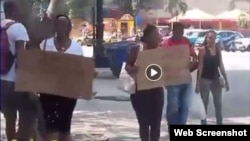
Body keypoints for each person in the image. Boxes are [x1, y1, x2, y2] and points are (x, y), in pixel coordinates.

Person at [38, 15, 83, 141]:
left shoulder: (76, 48)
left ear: (69, 28)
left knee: (64, 126)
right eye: (58, 24)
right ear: (54, 27)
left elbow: (80, 71)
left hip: (68, 93)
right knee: (49, 127)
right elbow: (37, 66)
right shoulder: (45, 44)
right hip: (48, 92)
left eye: (64, 25)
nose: (61, 27)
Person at [1, 1, 39, 141]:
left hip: (2, 82)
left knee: (9, 119)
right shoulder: (18, 27)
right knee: (28, 119)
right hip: (16, 82)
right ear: (14, 9)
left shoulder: (1, 26)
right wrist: (30, 86)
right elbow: (22, 59)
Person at [125, 24, 164, 141]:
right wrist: (132, 69)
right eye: (156, 33)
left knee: (156, 124)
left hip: (156, 91)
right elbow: (127, 66)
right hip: (140, 92)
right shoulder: (138, 49)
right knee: (144, 124)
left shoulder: (161, 51)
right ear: (148, 36)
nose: (159, 36)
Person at [161, 22, 198, 125]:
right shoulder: (166, 44)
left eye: (182, 32)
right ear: (174, 31)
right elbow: (161, 60)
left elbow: (194, 56)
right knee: (173, 106)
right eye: (178, 32)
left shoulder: (186, 42)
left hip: (185, 79)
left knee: (185, 105)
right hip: (172, 80)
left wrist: (192, 63)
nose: (180, 34)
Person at [195, 30, 229, 125]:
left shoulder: (218, 49)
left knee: (218, 104)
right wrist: (197, 84)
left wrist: (226, 80)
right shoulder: (202, 50)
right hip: (204, 80)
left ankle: (219, 123)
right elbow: (200, 66)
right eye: (207, 37)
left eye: (211, 38)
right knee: (204, 104)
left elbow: (221, 65)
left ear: (215, 39)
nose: (209, 39)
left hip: (216, 79)